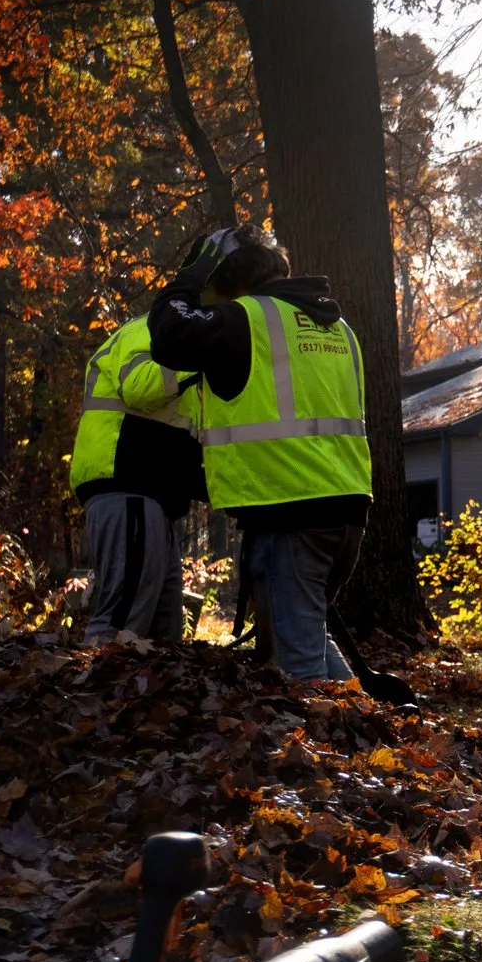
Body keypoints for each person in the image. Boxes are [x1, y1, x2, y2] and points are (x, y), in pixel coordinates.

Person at [147, 224, 372, 682]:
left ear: (225, 278)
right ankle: (366, 727)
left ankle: (342, 750)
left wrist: (188, 279)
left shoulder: (248, 319)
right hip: (346, 509)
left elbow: (169, 334)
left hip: (292, 513)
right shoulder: (338, 328)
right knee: (306, 633)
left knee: (300, 665)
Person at [69, 316, 204, 644]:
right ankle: (89, 694)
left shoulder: (182, 346)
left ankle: (135, 693)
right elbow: (139, 386)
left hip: (152, 496)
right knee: (120, 625)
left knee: (162, 631)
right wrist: (206, 355)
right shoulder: (152, 329)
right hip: (129, 484)